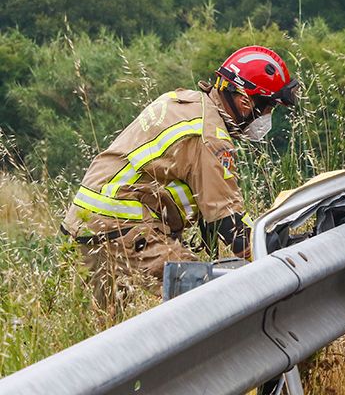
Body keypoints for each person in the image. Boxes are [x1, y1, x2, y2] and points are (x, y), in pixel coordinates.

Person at [63, 46, 298, 309]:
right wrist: (277, 260)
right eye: (268, 109)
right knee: (204, 299)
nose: (267, 119)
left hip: (86, 219)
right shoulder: (211, 138)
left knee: (106, 328)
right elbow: (228, 223)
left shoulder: (182, 101)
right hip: (123, 224)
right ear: (246, 102)